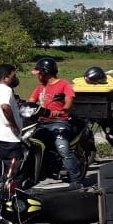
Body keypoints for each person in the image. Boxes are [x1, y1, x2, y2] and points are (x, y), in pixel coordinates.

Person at [28, 56, 84, 189]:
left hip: (59, 122)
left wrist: (62, 110)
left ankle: (77, 181)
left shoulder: (64, 84)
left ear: (46, 72)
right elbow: (31, 101)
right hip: (41, 122)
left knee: (63, 148)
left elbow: (69, 102)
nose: (38, 76)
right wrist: (23, 105)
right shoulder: (40, 87)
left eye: (39, 73)